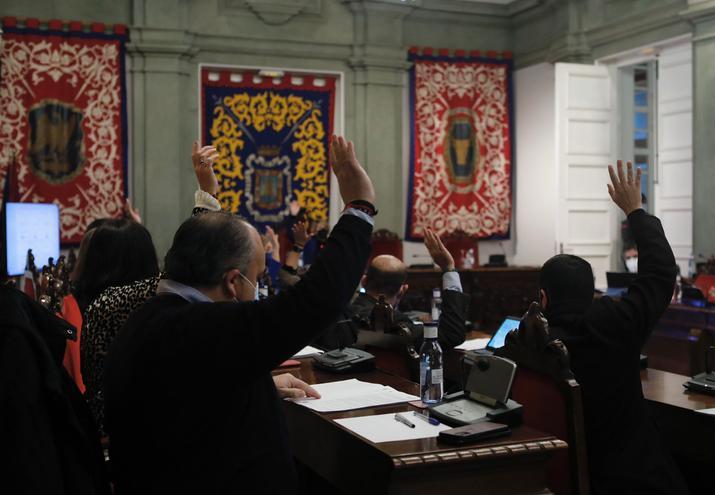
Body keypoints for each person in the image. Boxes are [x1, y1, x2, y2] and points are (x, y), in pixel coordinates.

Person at [102, 135, 375, 495]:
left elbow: (190, 395)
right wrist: (359, 208)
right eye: (257, 279)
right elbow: (315, 300)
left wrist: (258, 384)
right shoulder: (202, 326)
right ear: (232, 281)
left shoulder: (151, 317)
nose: (257, 289)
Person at [539, 161, 688, 494]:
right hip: (635, 481)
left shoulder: (529, 341)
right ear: (592, 294)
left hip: (556, 481)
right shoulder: (613, 327)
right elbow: (660, 276)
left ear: (543, 299)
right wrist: (635, 211)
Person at [81, 141, 223, 435]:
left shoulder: (96, 303)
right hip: (142, 429)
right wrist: (207, 192)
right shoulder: (137, 298)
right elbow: (192, 258)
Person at [314, 229, 470, 351]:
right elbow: (451, 334)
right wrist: (449, 268)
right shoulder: (398, 325)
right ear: (402, 291)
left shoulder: (338, 314)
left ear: (363, 281)